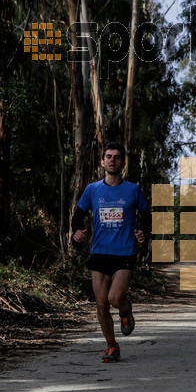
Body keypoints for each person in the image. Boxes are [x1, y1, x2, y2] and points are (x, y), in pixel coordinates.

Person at [71, 143, 151, 362]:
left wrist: (143, 233)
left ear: (122, 163)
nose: (112, 160)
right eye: (108, 156)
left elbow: (146, 216)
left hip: (124, 252)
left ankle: (125, 309)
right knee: (101, 303)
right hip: (99, 252)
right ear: (102, 162)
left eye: (117, 157)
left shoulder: (133, 190)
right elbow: (77, 217)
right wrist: (76, 232)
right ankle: (111, 345)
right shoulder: (92, 190)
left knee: (114, 299)